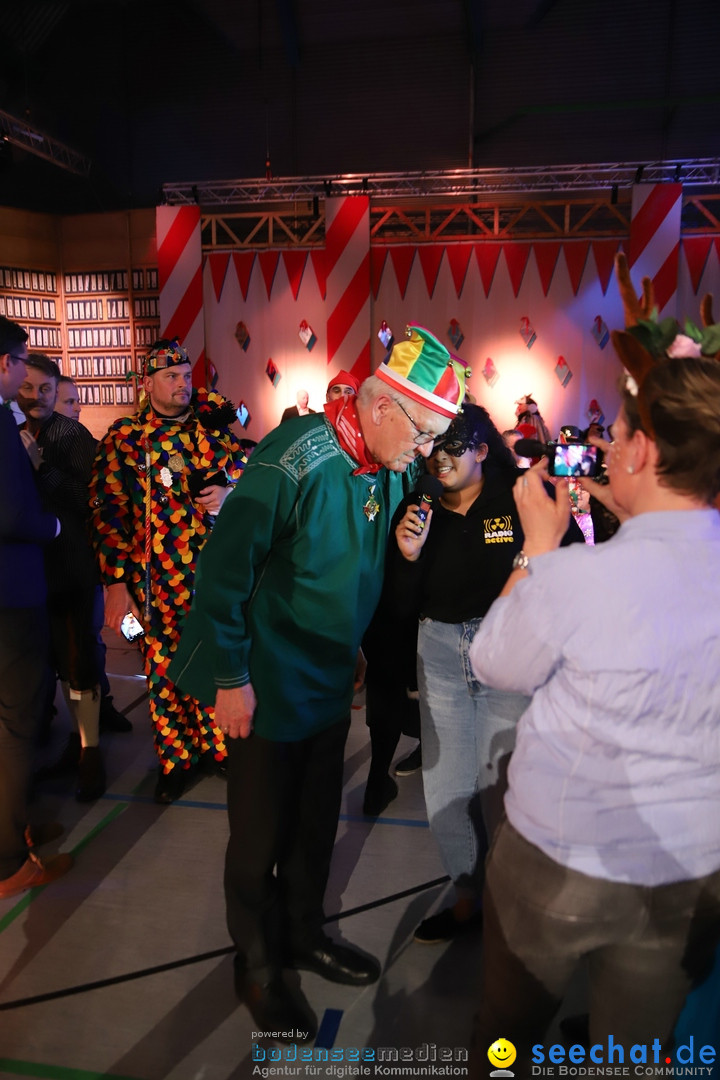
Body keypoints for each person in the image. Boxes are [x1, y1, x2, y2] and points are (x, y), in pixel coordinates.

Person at [170, 325, 467, 1039]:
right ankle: (259, 965)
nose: (425, 452)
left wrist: (403, 552)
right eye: (424, 433)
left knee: (313, 826)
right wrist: (229, 677)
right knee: (258, 838)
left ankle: (304, 934)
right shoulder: (294, 459)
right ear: (384, 406)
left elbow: (371, 555)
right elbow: (223, 570)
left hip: (332, 681)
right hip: (267, 684)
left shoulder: (389, 466)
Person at [466, 258, 720, 1075]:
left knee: (507, 1037)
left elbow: (494, 662)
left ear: (643, 449)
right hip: (690, 874)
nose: (602, 447)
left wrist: (538, 548)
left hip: (558, 860)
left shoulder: (580, 575)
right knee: (633, 1054)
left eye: (614, 436)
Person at [392, 405, 582, 944]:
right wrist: (408, 556)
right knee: (448, 788)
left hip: (511, 651)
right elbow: (402, 607)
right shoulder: (419, 503)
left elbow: (569, 564)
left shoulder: (521, 495)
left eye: (454, 446)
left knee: (505, 786)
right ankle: (467, 898)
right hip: (440, 651)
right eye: (433, 445)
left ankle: (516, 905)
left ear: (481, 448)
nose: (439, 457)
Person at [89, 340, 245, 803]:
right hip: (152, 586)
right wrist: (115, 585)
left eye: (185, 374)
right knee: (163, 672)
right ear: (148, 383)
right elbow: (107, 513)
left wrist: (229, 490)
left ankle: (220, 750)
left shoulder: (215, 428)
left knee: (219, 664)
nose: (182, 383)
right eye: (171, 376)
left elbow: (250, 474)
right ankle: (176, 759)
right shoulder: (125, 438)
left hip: (215, 579)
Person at [0, 317, 72, 898]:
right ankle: (8, 859)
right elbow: (12, 515)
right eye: (24, 362)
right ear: (5, 363)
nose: (30, 375)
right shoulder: (0, 421)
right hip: (11, 594)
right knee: (17, 723)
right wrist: (51, 526)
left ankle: (14, 828)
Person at [17, 353, 106, 801]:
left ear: (57, 390)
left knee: (79, 665)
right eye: (28, 386)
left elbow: (93, 502)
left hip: (70, 568)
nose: (36, 396)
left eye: (45, 389)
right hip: (28, 575)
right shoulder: (12, 433)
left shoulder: (72, 435)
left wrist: (42, 469)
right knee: (46, 668)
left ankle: (90, 754)